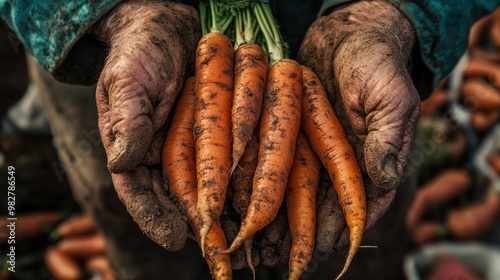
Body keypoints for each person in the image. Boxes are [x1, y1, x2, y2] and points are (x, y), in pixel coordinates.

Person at [1, 0, 498, 279]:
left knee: (359, 206)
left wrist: (385, 15)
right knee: (143, 220)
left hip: (344, 48)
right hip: (119, 47)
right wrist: (116, 15)